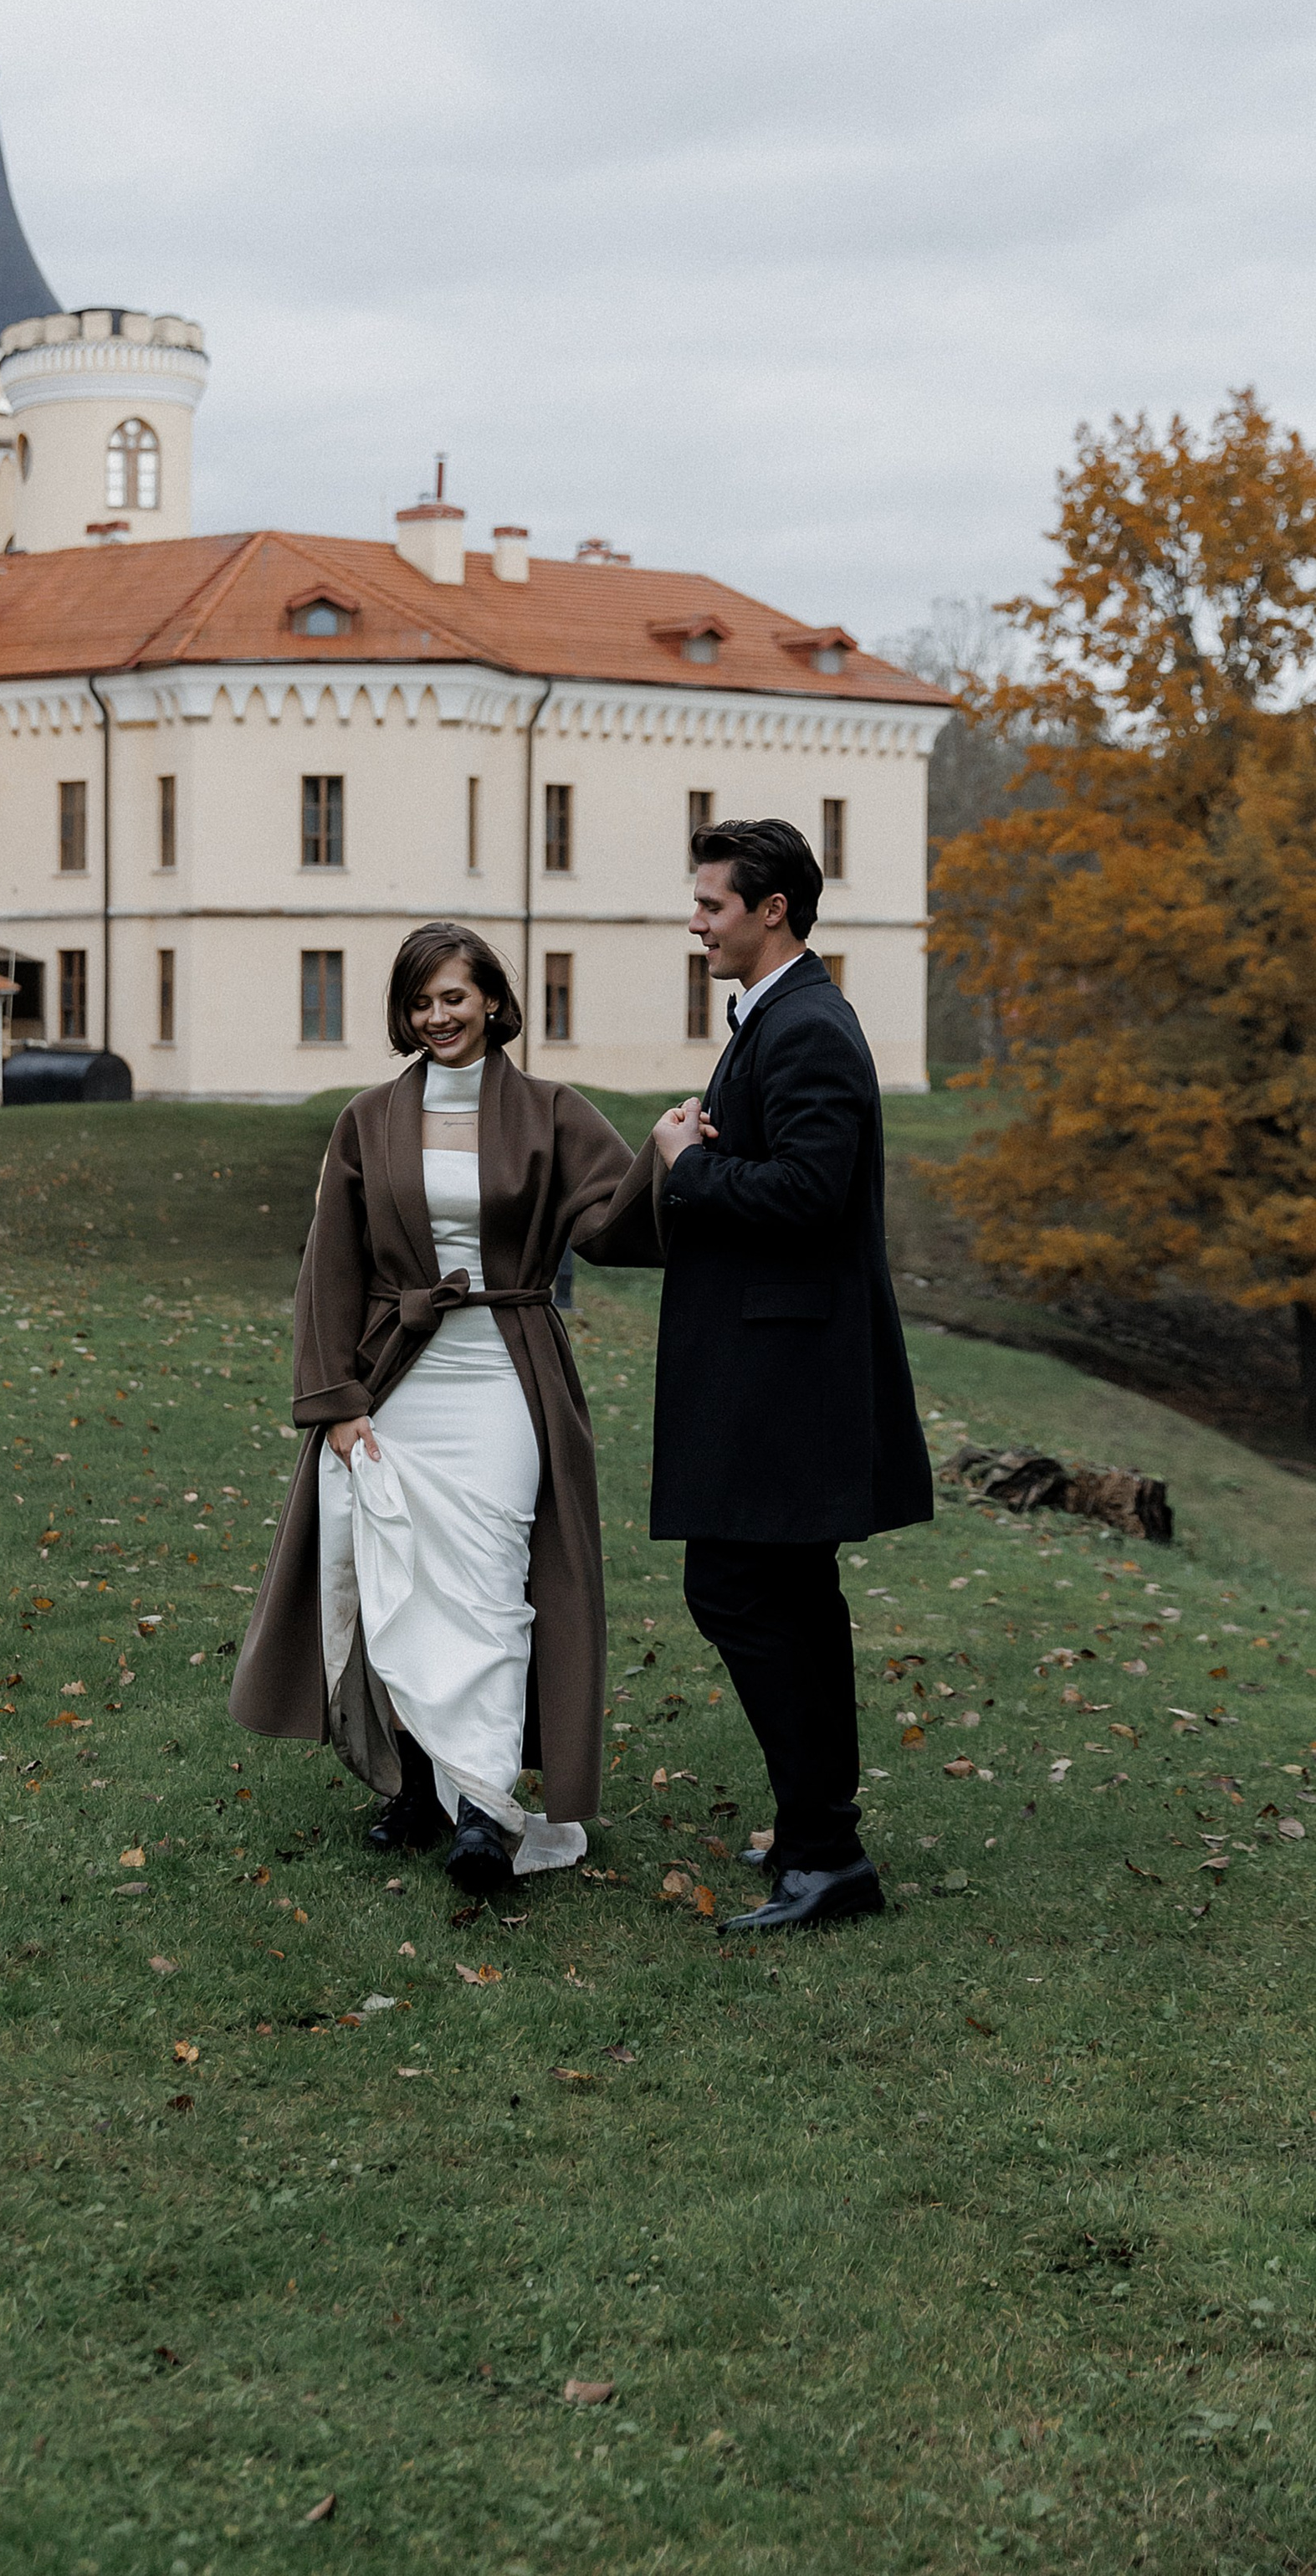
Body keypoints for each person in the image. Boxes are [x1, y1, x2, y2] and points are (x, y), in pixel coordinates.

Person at [229, 926, 632, 1895]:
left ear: (493, 1000)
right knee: (394, 1583)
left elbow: (621, 1221)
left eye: (454, 997)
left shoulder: (550, 1112)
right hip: (398, 1376)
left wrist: (666, 1156)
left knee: (490, 1592)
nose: (436, 1017)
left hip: (502, 1376)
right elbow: (331, 1266)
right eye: (420, 1002)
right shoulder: (367, 1120)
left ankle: (483, 1811)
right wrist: (335, 1402)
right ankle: (417, 1786)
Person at [595, 816, 932, 1932]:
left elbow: (809, 1194)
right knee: (788, 1595)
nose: (696, 923)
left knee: (738, 1590)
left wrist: (691, 1165)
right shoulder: (778, 1019)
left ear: (772, 909)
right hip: (773, 1367)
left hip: (787, 1377)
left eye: (713, 906)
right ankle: (812, 1832)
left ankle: (827, 1855)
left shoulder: (809, 1029)